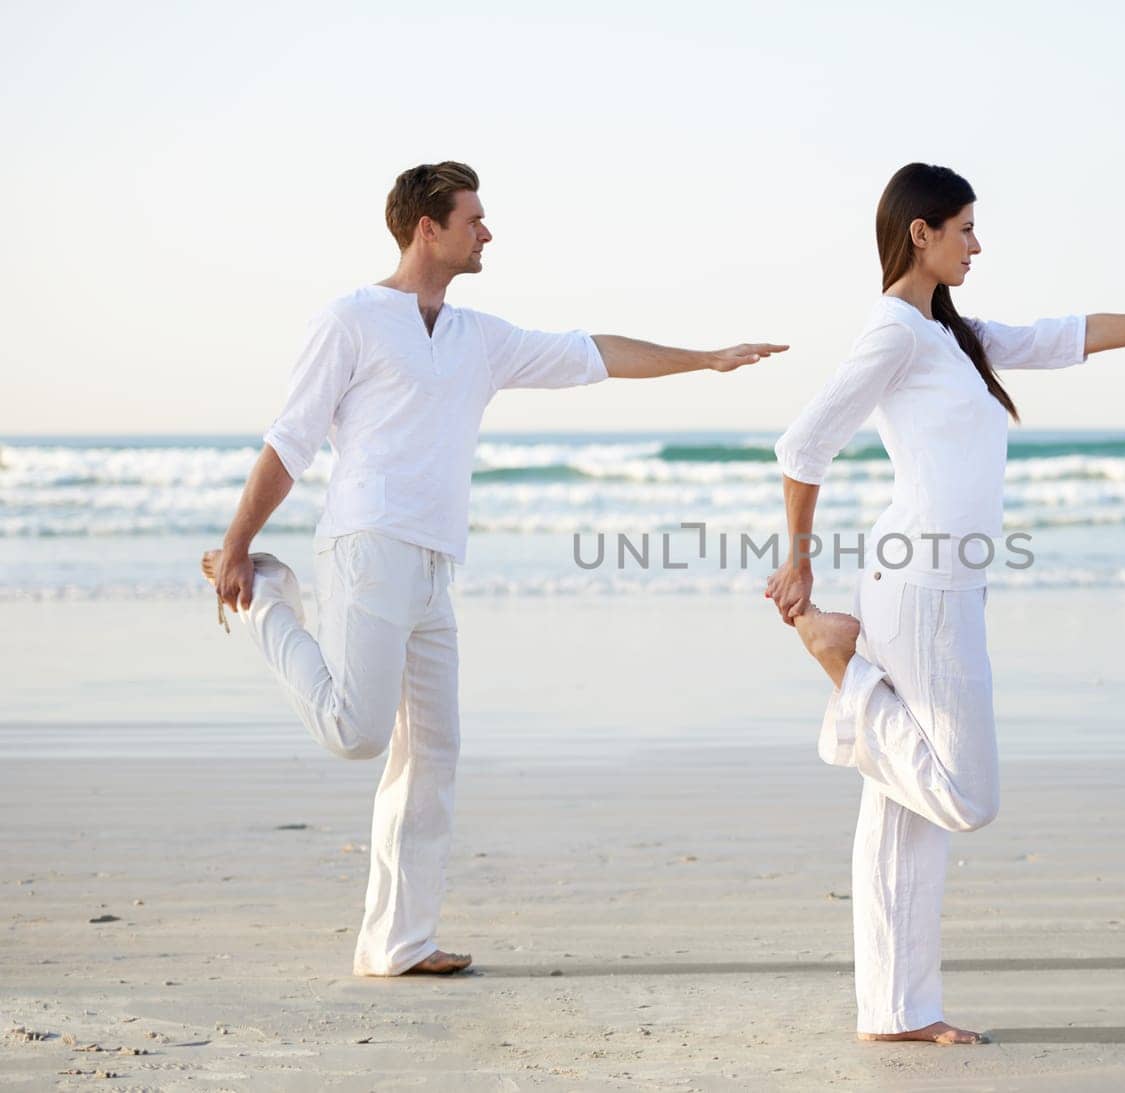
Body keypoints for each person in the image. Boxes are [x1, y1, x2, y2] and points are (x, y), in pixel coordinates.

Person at [202, 160, 786, 977]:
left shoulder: (481, 338)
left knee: (431, 753)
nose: (488, 232)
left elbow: (596, 352)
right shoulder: (352, 319)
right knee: (356, 732)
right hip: (367, 545)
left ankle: (397, 941)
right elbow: (291, 438)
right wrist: (236, 545)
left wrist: (707, 358)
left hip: (437, 560)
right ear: (426, 229)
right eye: (473, 219)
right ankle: (266, 599)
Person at [765, 161, 1125, 1043]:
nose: (977, 243)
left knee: (904, 812)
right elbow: (804, 439)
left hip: (939, 579)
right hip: (922, 582)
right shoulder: (895, 332)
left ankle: (897, 1010)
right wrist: (800, 564)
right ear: (920, 232)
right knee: (966, 795)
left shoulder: (952, 335)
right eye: (964, 227)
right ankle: (837, 664)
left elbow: (1070, 334)